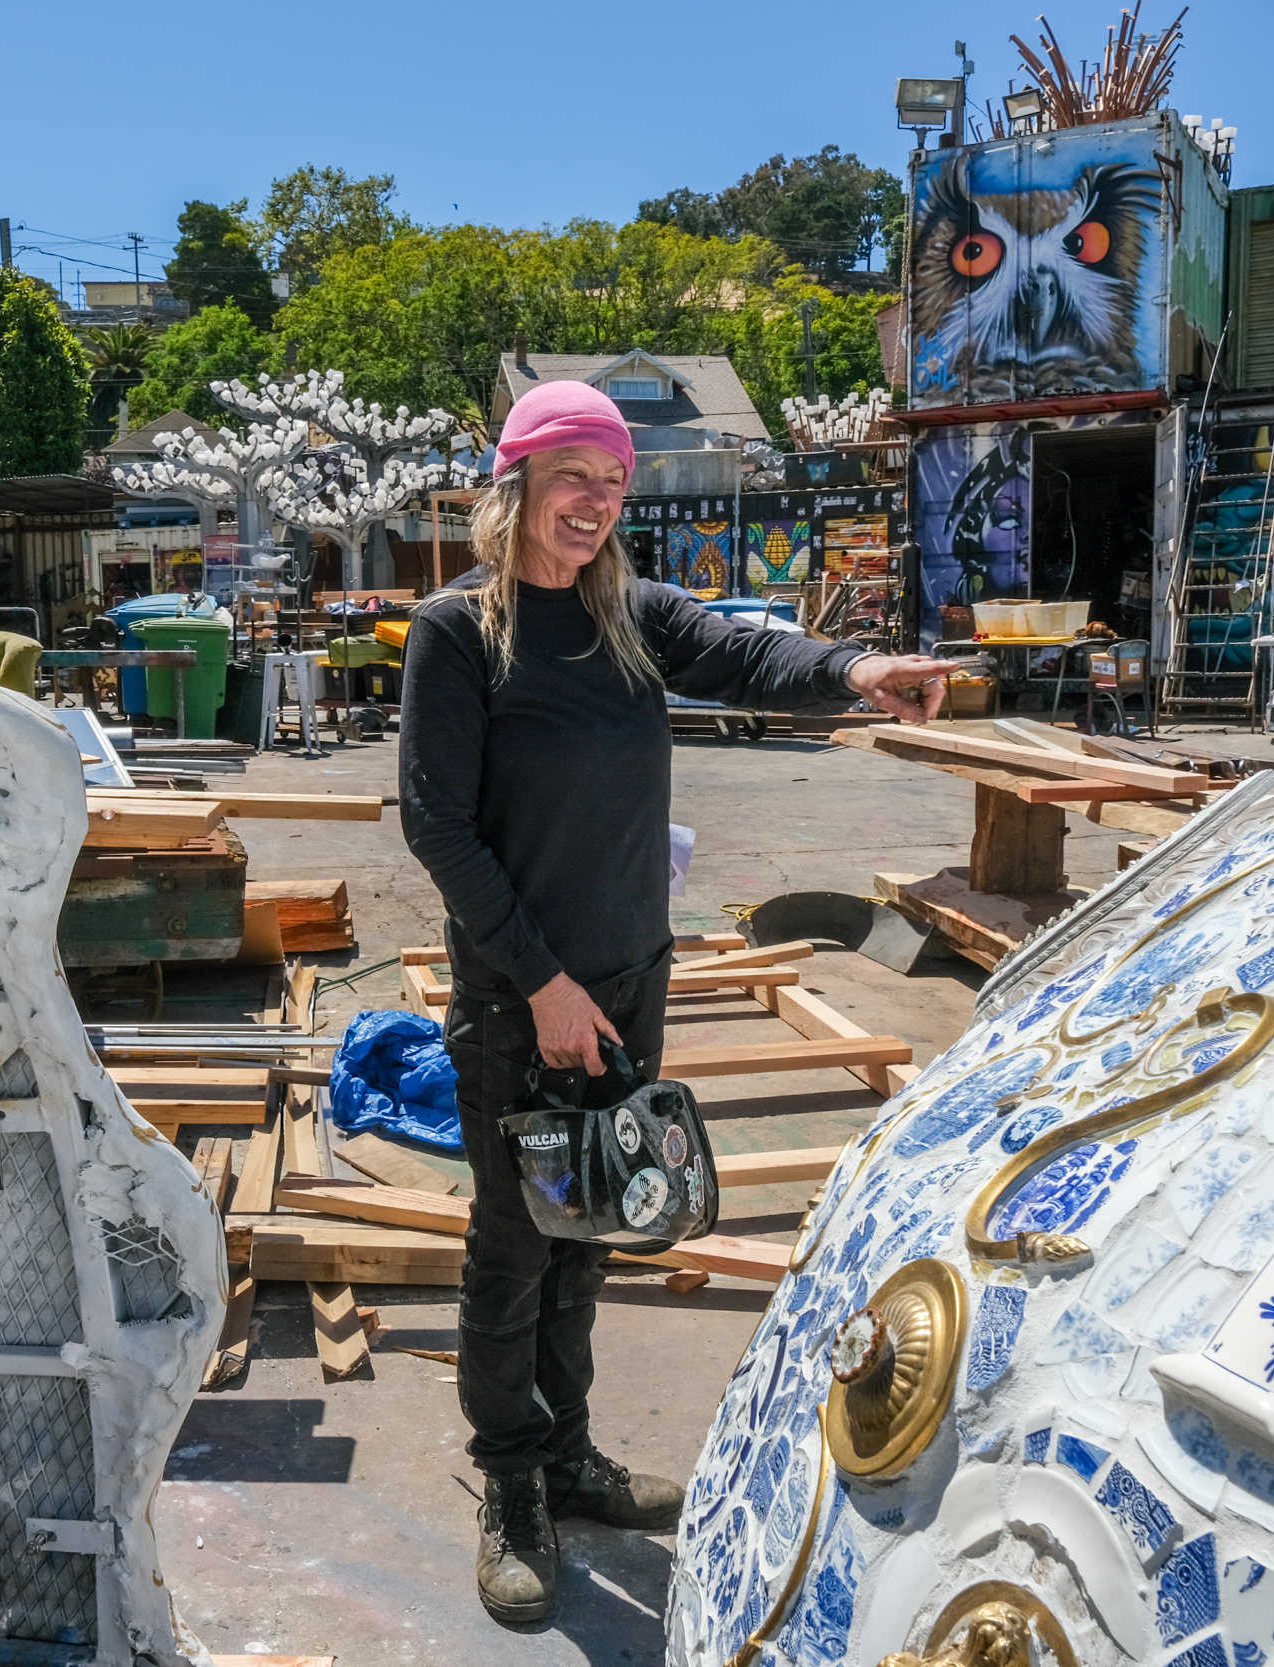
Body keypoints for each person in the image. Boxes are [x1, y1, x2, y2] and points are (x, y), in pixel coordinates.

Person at [398, 381, 953, 1623]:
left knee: (594, 1217)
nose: (594, 503)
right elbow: (435, 823)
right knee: (513, 1244)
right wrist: (538, 983)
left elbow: (753, 653)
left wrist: (860, 664)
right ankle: (511, 1483)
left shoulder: (633, 615)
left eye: (613, 483)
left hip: (627, 978)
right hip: (515, 994)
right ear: (518, 486)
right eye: (572, 478)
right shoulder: (458, 631)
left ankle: (572, 1454)